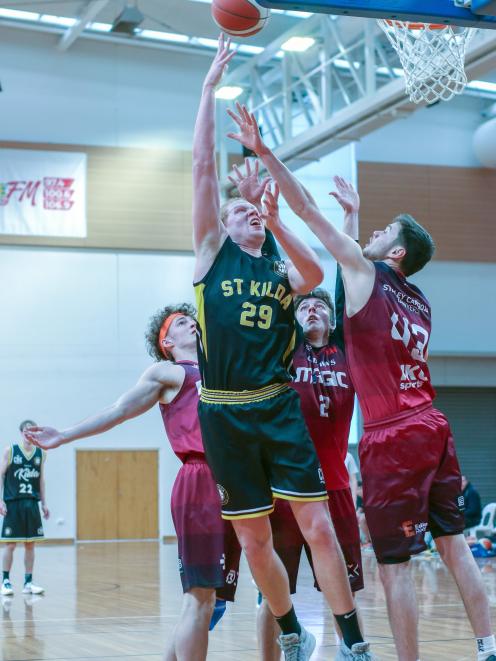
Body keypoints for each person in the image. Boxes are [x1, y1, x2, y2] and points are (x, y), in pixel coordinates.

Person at [226, 103, 496, 661]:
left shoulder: (366, 272)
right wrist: (351, 222)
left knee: (395, 566)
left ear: (395, 252)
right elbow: (356, 298)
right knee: (455, 547)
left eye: (382, 231)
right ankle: (489, 644)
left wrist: (264, 150)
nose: (371, 233)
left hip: (393, 434)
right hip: (433, 423)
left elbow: (307, 213)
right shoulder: (417, 299)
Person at [192, 35, 372, 661]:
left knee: (318, 526)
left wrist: (273, 218)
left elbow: (317, 275)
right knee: (255, 540)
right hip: (222, 411)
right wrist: (209, 91)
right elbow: (200, 172)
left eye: (249, 211)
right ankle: (290, 627)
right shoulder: (211, 255)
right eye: (237, 210)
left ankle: (352, 642)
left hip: (276, 407)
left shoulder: (280, 270)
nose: (242, 213)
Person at [25, 304, 241, 661]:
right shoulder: (170, 372)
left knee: (214, 602)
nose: (193, 325)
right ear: (167, 342)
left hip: (235, 482)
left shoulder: (224, 369)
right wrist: (64, 435)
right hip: (200, 479)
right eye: (183, 323)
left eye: (194, 321)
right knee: (199, 598)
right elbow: (118, 410)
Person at [0, 420, 49, 597]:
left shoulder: (41, 454)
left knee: (30, 545)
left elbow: (41, 480)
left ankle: (28, 582)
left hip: (32, 504)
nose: (29, 434)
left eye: (32, 432)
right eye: (26, 432)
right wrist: (0, 501)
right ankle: (5, 581)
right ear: (21, 433)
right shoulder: (11, 451)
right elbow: (1, 475)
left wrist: (44, 503)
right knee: (10, 545)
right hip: (14, 504)